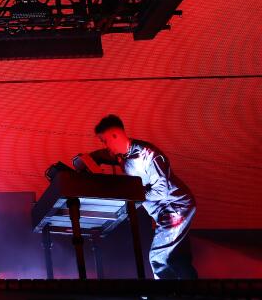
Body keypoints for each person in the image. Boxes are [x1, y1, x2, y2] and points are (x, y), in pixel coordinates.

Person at [75, 114, 198, 280]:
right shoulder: (120, 155)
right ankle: (194, 295)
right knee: (177, 258)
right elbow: (100, 155)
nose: (105, 145)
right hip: (165, 212)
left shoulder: (149, 156)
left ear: (115, 136)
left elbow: (161, 191)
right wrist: (85, 160)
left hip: (176, 207)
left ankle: (166, 296)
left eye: (105, 141)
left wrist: (133, 195)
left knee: (158, 257)